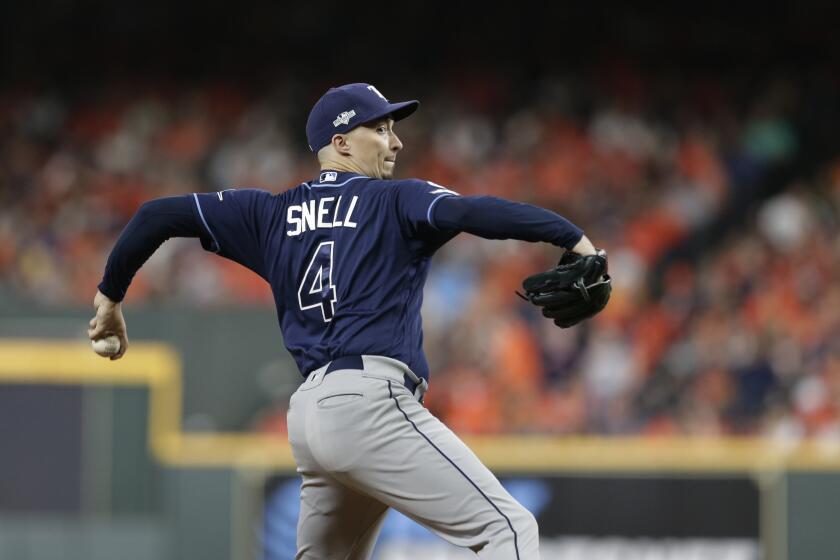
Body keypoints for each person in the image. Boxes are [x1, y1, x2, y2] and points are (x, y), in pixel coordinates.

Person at [88, 83, 598, 559]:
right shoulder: (397, 199)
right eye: (380, 129)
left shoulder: (266, 214)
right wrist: (572, 237)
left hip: (310, 418)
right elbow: (475, 212)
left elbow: (154, 216)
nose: (395, 142)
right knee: (508, 529)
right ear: (342, 142)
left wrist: (109, 299)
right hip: (369, 403)